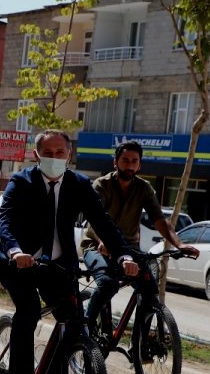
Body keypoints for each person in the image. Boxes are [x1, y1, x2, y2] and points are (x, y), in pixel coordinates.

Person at [0, 129, 138, 374]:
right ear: (36, 155)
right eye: (47, 153)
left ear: (70, 154)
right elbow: (5, 220)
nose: (54, 157)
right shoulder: (21, 182)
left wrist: (123, 255)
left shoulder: (79, 184)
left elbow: (103, 222)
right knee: (29, 310)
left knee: (73, 321)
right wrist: (14, 250)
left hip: (59, 266)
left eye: (60, 152)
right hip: (19, 263)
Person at [81, 140, 198, 336]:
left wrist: (180, 244)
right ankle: (84, 332)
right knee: (108, 284)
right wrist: (103, 241)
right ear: (115, 162)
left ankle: (141, 342)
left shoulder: (143, 188)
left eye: (134, 161)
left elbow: (159, 220)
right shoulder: (102, 185)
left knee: (149, 288)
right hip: (96, 245)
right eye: (125, 160)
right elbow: (96, 217)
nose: (130, 165)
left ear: (140, 165)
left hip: (128, 249)